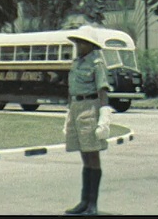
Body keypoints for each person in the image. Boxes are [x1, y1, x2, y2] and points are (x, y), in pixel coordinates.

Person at [63, 27, 113, 216]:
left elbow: (103, 91)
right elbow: (71, 89)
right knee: (84, 155)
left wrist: (104, 117)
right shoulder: (76, 63)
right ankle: (84, 201)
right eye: (76, 42)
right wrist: (68, 113)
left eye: (81, 42)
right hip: (77, 107)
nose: (78, 46)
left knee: (92, 155)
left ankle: (92, 204)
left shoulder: (97, 63)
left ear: (90, 45)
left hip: (90, 107)